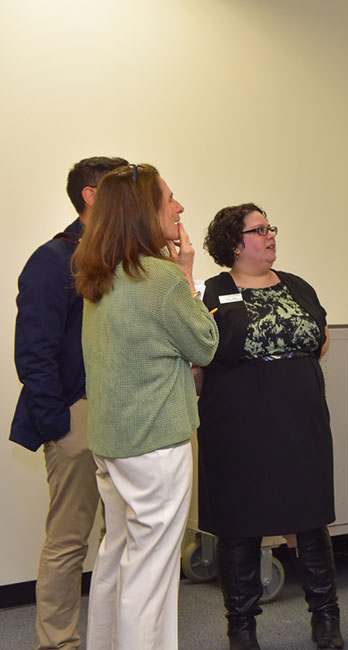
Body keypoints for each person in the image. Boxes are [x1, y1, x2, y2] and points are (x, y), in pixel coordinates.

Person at [73, 163, 218, 650]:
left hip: (112, 446)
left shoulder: (100, 274)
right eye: (170, 199)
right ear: (144, 212)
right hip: (155, 447)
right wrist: (188, 274)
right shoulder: (160, 277)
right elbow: (205, 344)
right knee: (149, 576)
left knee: (116, 559)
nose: (179, 208)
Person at [196, 203, 341, 650]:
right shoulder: (212, 292)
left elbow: (320, 339)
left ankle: (326, 617)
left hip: (299, 416)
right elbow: (201, 357)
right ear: (234, 245)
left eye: (270, 227)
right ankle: (241, 626)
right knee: (240, 522)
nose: (270, 235)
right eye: (259, 230)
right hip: (236, 423)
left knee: (309, 517)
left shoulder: (297, 286)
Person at [11, 156, 127, 650]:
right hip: (76, 414)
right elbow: (33, 351)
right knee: (68, 539)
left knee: (123, 538)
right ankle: (58, 642)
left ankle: (117, 635)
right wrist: (58, 422)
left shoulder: (133, 260)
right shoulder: (53, 259)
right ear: (92, 196)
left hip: (127, 415)